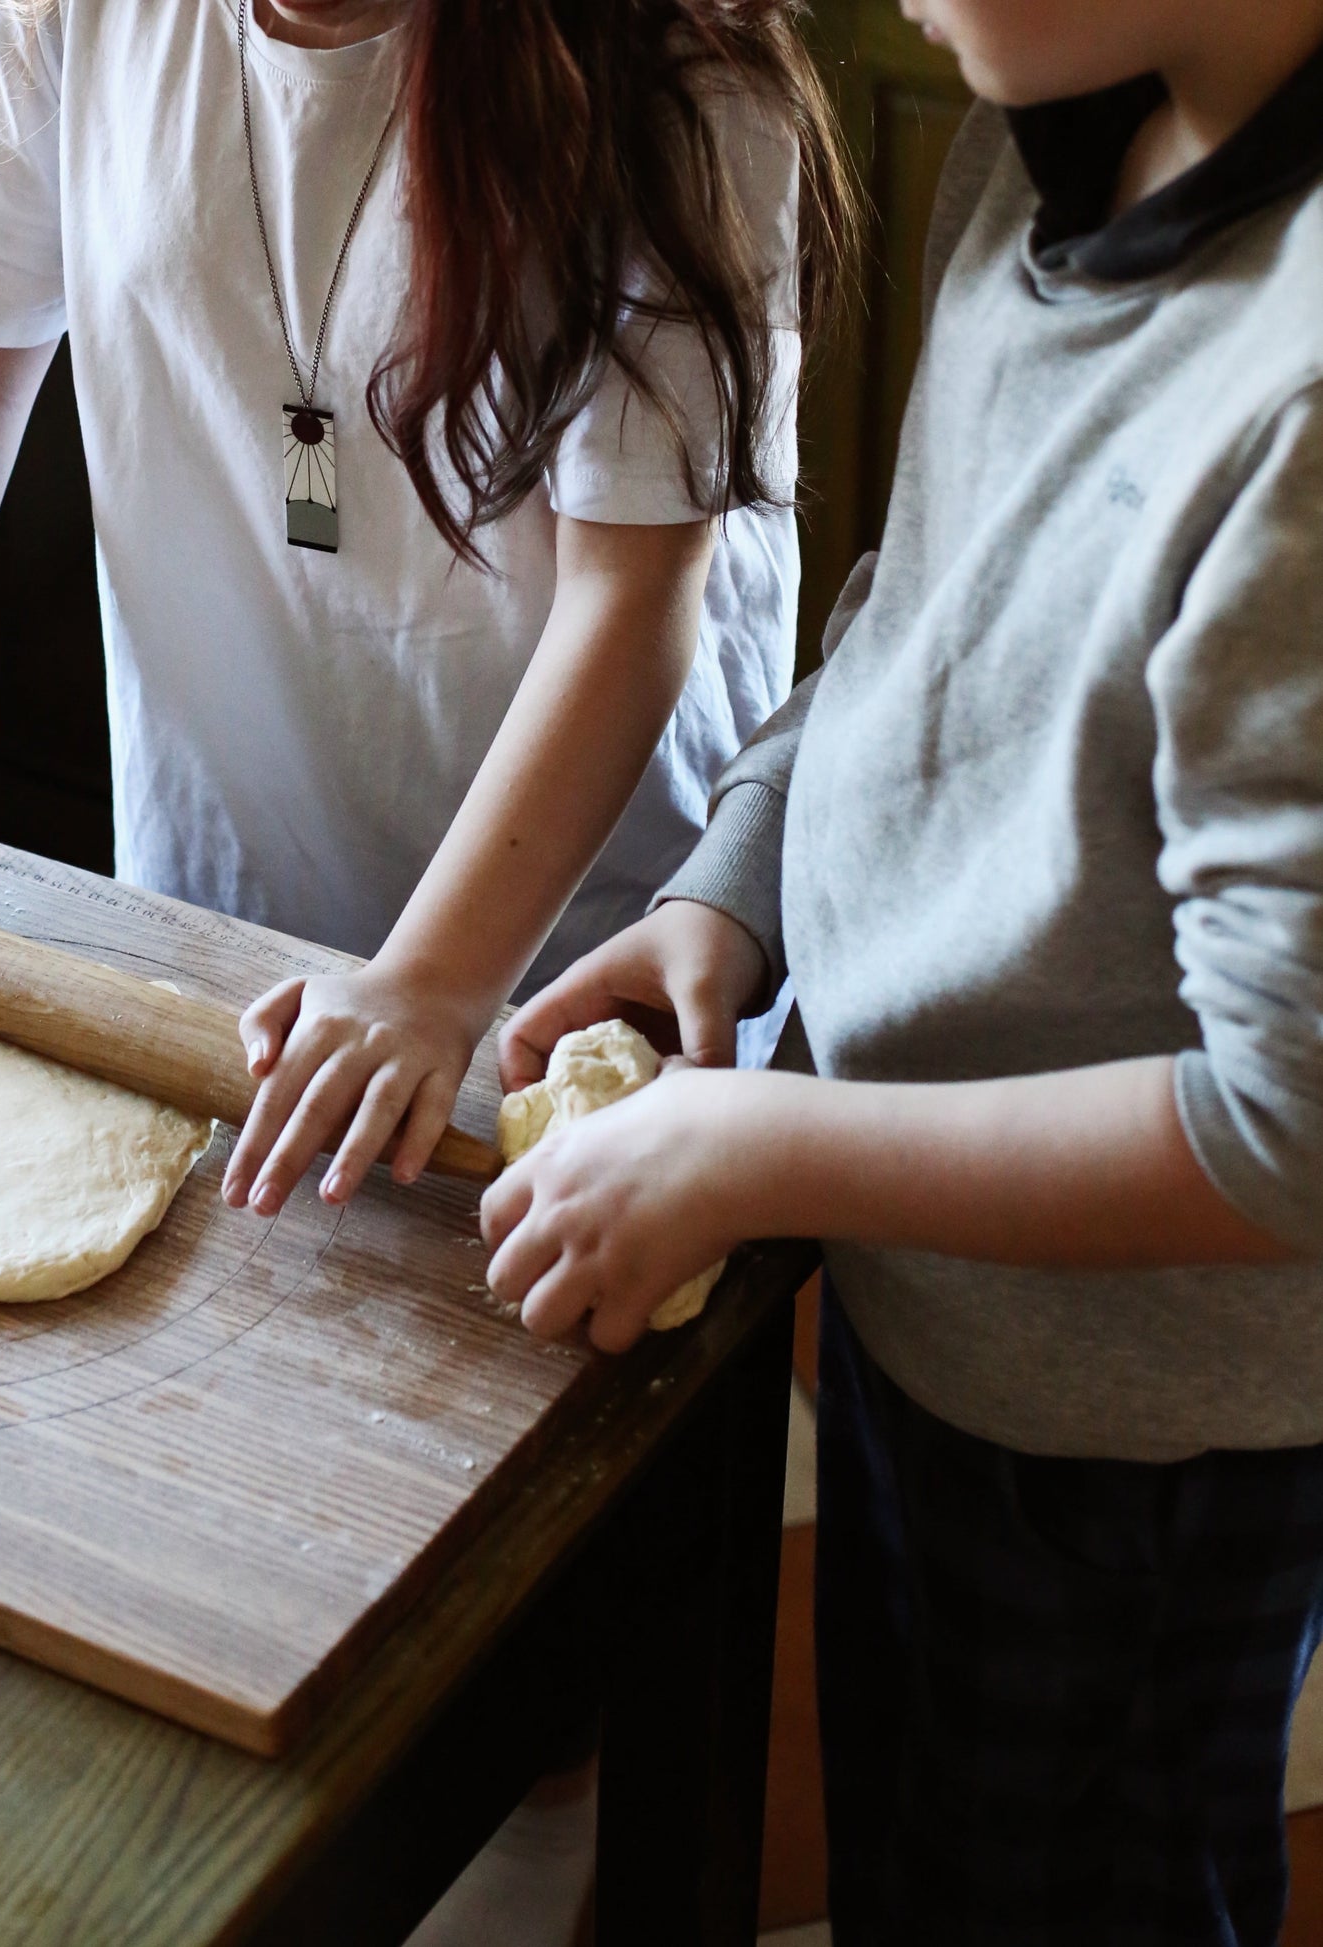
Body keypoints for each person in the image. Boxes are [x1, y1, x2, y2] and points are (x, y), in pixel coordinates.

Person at [484, 0, 1323, 1938]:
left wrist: (774, 1151)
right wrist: (735, 879)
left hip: (1132, 1450)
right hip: (934, 1312)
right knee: (919, 1849)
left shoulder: (1294, 402)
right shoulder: (1048, 130)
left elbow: (1285, 1127)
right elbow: (903, 620)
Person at [0, 0, 850, 1224]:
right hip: (220, 908)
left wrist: (433, 983)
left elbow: (630, 599)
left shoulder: (672, 69)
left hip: (570, 954)